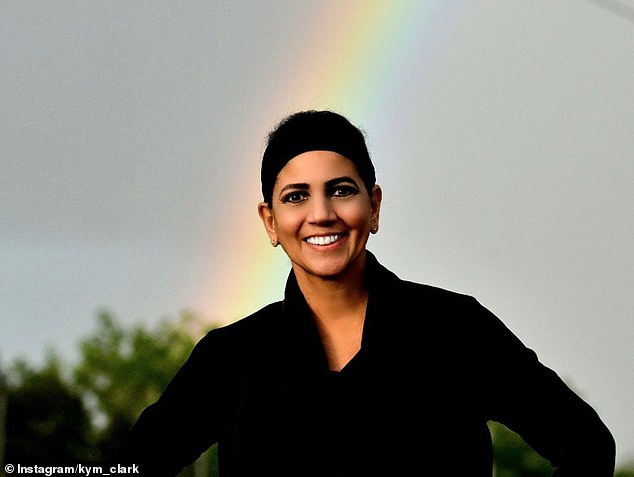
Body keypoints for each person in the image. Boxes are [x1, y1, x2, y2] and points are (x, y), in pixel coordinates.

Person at [112, 110, 616, 476]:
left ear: (373, 206)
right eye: (295, 197)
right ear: (270, 221)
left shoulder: (456, 329)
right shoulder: (230, 358)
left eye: (341, 190)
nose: (321, 213)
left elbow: (587, 446)